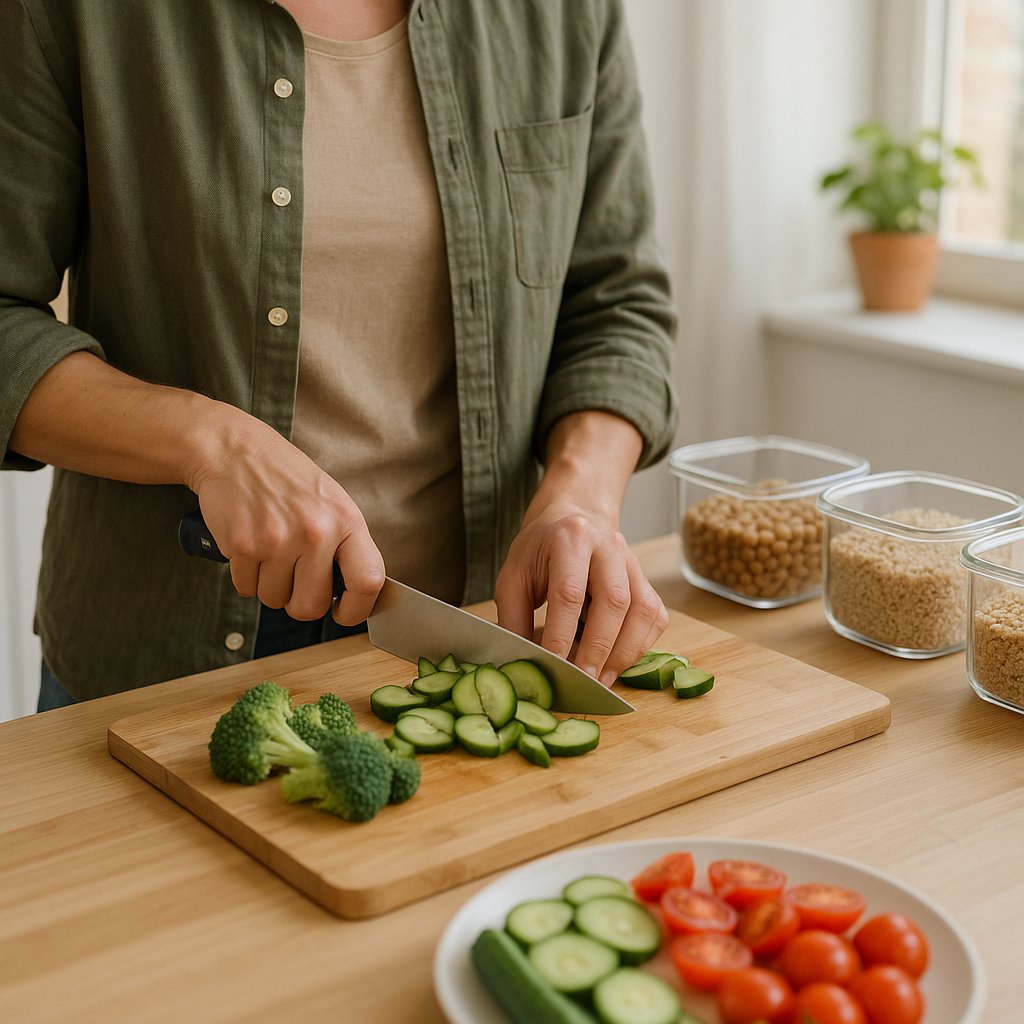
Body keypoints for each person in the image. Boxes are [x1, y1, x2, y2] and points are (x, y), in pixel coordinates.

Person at [0, 0, 679, 710]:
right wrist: (213, 445)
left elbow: (618, 302)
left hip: (476, 633)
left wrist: (578, 496)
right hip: (163, 651)